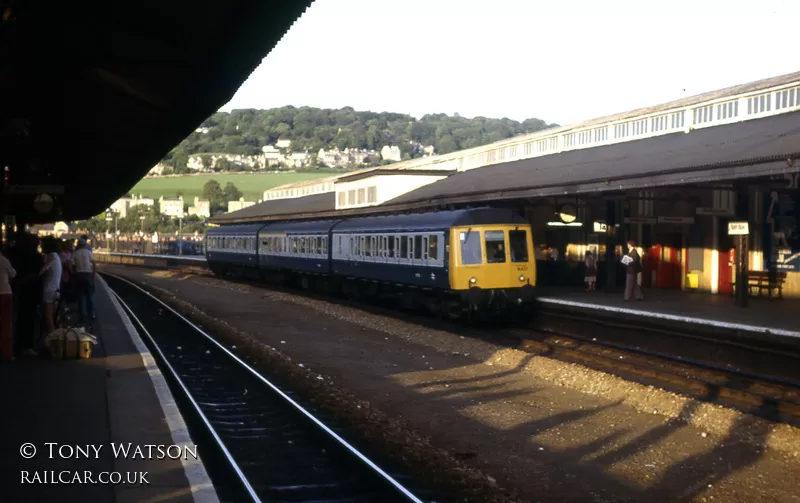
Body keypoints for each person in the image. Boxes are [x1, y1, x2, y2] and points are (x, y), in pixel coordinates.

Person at [39, 237, 63, 334]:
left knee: (49, 320)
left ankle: (52, 343)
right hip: (55, 289)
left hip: (49, 290)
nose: (41, 246)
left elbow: (41, 272)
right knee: (51, 319)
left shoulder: (51, 256)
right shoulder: (56, 256)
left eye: (42, 244)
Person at [72, 238, 96, 321]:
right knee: (90, 296)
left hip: (79, 276)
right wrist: (93, 275)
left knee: (80, 296)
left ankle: (82, 315)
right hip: (88, 275)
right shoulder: (89, 252)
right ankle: (91, 314)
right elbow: (94, 264)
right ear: (85, 245)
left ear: (78, 244)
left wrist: (74, 274)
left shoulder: (75, 253)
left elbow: (72, 265)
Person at [0, 249, 17, 361]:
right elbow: (13, 274)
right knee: (6, 323)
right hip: (5, 292)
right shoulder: (4, 260)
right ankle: (7, 354)